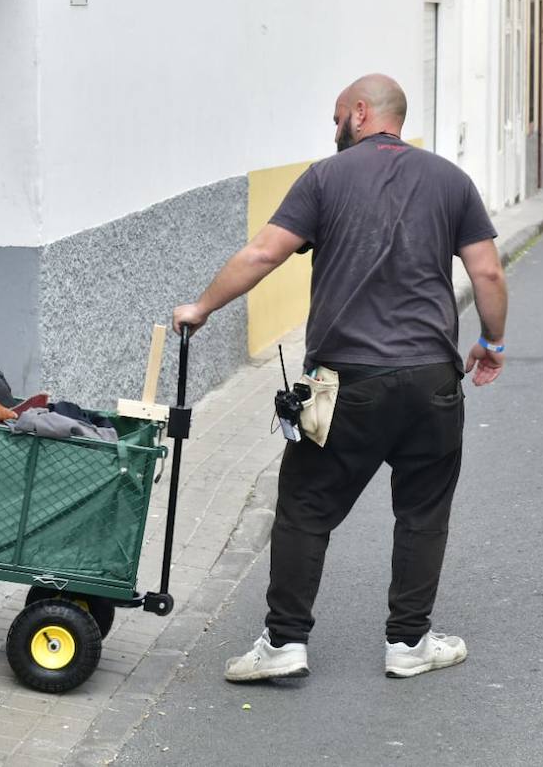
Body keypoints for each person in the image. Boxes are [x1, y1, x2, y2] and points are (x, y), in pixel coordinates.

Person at [172, 74, 507, 683]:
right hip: (432, 381)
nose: (334, 130)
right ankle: (409, 643)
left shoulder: (325, 178)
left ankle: (284, 643)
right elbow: (487, 273)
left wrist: (202, 307)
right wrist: (492, 341)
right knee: (422, 511)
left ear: (359, 113)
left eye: (336, 118)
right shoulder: (451, 180)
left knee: (305, 506)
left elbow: (264, 253)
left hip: (346, 382)